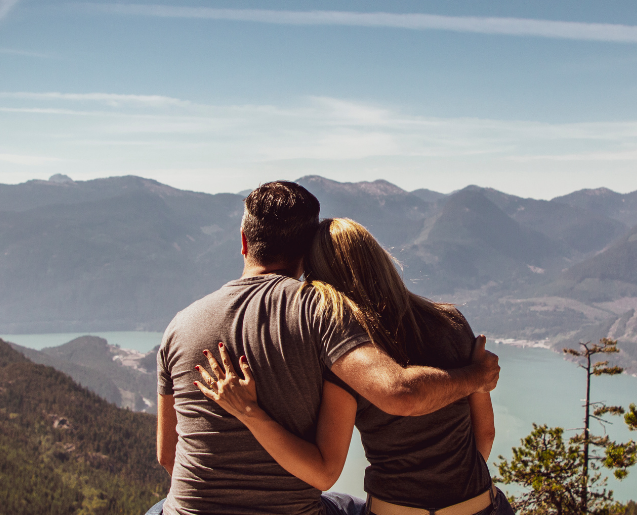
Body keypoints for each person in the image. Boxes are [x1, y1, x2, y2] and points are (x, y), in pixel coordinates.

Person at [151, 181, 501, 515]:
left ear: (244, 242)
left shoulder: (179, 325)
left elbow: (169, 456)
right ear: (306, 254)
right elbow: (397, 396)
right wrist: (476, 376)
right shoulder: (322, 311)